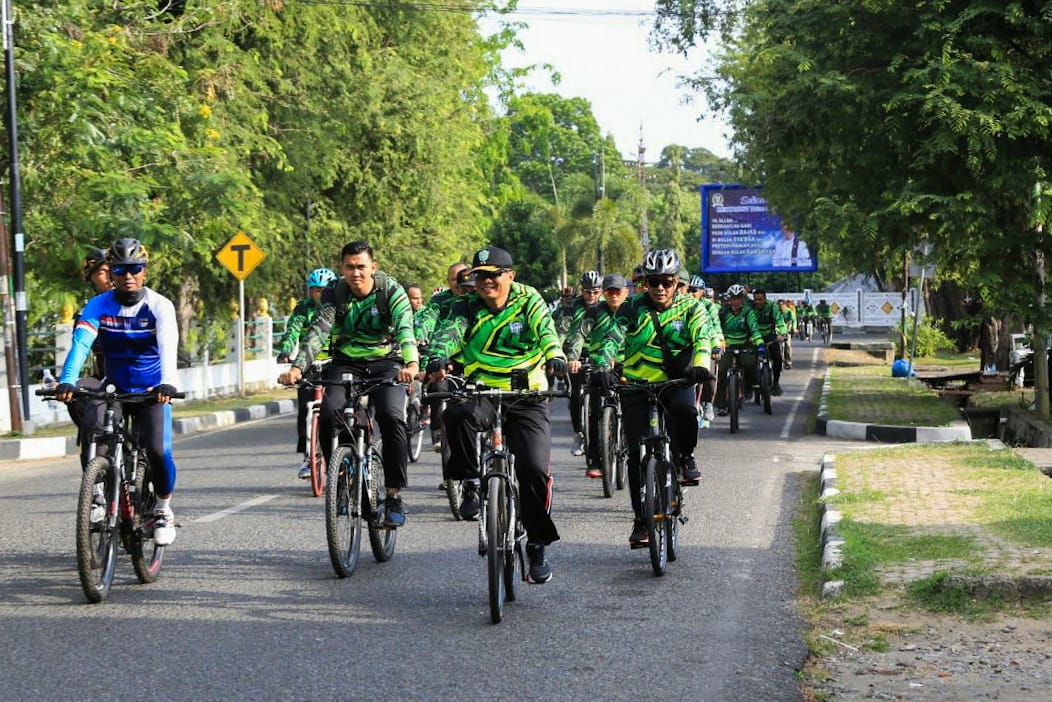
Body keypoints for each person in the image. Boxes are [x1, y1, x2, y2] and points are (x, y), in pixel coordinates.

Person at [423, 245, 566, 584]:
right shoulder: (466, 305)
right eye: (479, 276)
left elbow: (546, 331)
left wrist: (555, 356)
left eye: (492, 275)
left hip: (527, 393)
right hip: (482, 388)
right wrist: (438, 358)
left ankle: (537, 544)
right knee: (456, 416)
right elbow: (450, 334)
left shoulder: (528, 299)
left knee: (533, 468)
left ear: (510, 276)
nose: (485, 282)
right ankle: (472, 483)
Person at [278, 241, 419, 528]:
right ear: (342, 268)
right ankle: (341, 479)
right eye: (349, 267)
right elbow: (319, 330)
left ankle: (393, 495)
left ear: (373, 268)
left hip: (386, 362)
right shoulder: (334, 292)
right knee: (328, 416)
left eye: (361, 267)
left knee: (392, 417)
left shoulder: (391, 291)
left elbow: (405, 329)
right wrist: (296, 367)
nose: (355, 273)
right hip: (346, 362)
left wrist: (411, 364)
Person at [55, 238, 181, 546]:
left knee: (158, 450)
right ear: (111, 272)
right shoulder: (97, 305)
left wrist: (168, 383)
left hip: (153, 391)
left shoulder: (159, 306)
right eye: (121, 270)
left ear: (144, 272)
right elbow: (82, 343)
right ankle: (97, 493)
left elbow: (168, 346)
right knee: (94, 430)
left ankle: (163, 510)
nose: (128, 276)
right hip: (114, 388)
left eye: (134, 269)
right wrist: (68, 380)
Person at [592, 249, 712, 548]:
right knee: (635, 454)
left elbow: (702, 338)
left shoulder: (690, 308)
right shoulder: (631, 307)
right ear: (644, 283)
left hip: (676, 381)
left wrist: (701, 364)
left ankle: (685, 456)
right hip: (637, 384)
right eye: (653, 282)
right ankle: (641, 520)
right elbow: (612, 338)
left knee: (685, 411)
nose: (660, 288)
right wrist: (605, 364)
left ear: (676, 282)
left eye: (666, 282)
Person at [276, 267, 338, 479]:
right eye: (315, 290)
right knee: (305, 410)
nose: (318, 294)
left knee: (337, 409)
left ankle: (340, 452)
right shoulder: (303, 308)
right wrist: (285, 350)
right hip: (307, 365)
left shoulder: (340, 306)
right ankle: (308, 457)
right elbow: (293, 330)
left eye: (323, 289)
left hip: (335, 363)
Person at [565, 273, 629, 478]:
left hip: (626, 365)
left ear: (625, 293)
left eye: (617, 291)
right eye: (609, 291)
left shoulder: (632, 311)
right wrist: (573, 357)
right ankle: (594, 459)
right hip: (598, 366)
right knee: (594, 411)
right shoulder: (594, 311)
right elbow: (578, 335)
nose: (613, 295)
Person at [563, 270, 602, 457]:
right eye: (588, 292)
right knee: (576, 394)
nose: (592, 296)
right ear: (582, 290)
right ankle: (579, 433)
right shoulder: (572, 307)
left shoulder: (606, 306)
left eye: (595, 291)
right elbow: (562, 330)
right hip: (575, 354)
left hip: (601, 353)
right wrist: (566, 357)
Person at [716, 284, 765, 416]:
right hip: (727, 345)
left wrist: (760, 343)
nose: (736, 301)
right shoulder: (723, 313)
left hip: (744, 344)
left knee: (749, 363)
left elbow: (754, 329)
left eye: (739, 298)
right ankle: (720, 404)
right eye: (733, 298)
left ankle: (749, 387)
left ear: (743, 299)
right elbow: (716, 330)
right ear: (729, 299)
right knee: (721, 371)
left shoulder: (748, 312)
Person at [750, 289, 788, 396]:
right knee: (749, 360)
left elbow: (779, 320)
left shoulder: (772, 306)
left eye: (760, 299)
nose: (758, 302)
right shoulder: (750, 308)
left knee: (777, 358)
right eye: (756, 300)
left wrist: (783, 333)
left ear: (765, 299)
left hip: (770, 337)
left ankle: (775, 382)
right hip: (753, 337)